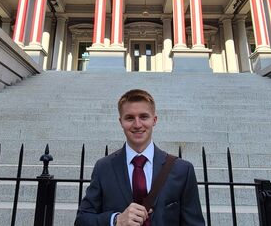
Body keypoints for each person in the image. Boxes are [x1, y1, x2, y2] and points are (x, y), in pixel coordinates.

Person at [75, 89, 205, 226]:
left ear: (154, 120)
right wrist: (116, 220)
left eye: (143, 117)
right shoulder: (104, 167)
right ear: (121, 122)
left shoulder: (182, 170)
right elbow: (81, 220)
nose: (137, 125)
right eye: (130, 118)